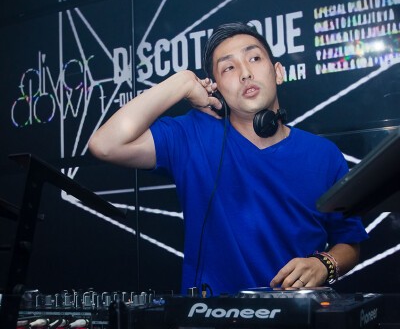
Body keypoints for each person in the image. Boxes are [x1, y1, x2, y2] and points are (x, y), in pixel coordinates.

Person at [88, 21, 368, 296]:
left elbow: (350, 244)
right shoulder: (192, 135)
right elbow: (105, 145)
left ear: (278, 72)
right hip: (212, 320)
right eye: (228, 68)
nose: (245, 73)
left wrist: (323, 265)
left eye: (254, 58)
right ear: (217, 88)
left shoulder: (324, 154)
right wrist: (182, 82)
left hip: (299, 318)